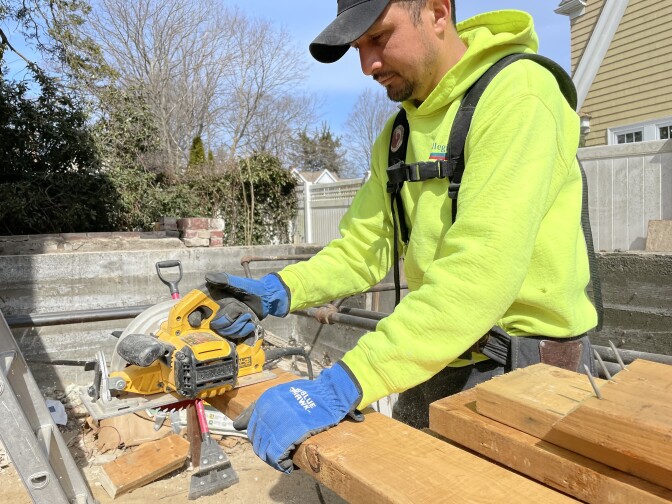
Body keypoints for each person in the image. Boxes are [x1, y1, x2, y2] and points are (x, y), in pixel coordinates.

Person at [207, 0, 598, 473]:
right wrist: (279, 292)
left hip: (526, 372)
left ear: (436, 12)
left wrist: (344, 383)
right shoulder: (398, 132)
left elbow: (478, 275)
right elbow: (361, 250)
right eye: (358, 46)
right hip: (434, 354)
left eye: (379, 37)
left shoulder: (519, 95)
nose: (367, 64)